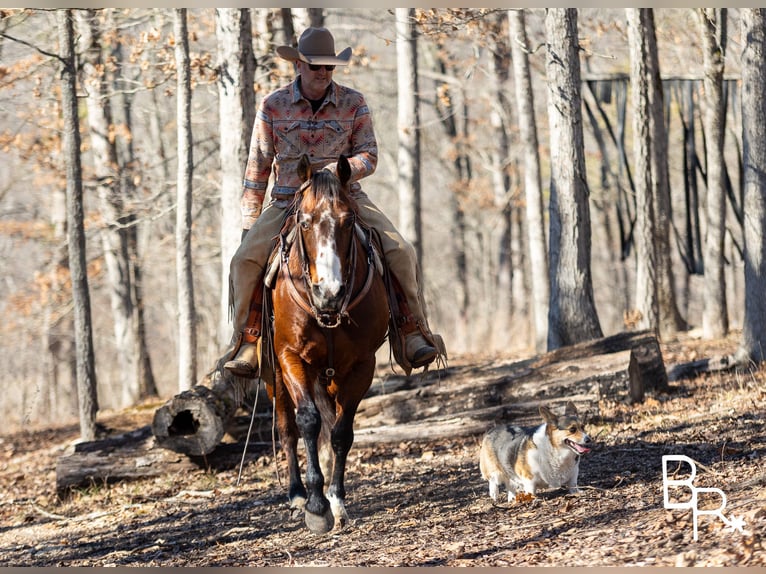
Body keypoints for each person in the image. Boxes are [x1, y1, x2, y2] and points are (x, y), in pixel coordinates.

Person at [220, 26, 442, 378]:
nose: (323, 74)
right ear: (299, 66)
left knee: (401, 251)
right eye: (315, 67)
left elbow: (369, 155)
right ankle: (247, 342)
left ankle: (411, 332)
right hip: (289, 200)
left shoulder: (354, 103)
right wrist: (250, 222)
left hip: (344, 197)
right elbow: (258, 166)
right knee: (244, 261)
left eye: (329, 68)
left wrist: (338, 171)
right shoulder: (272, 106)